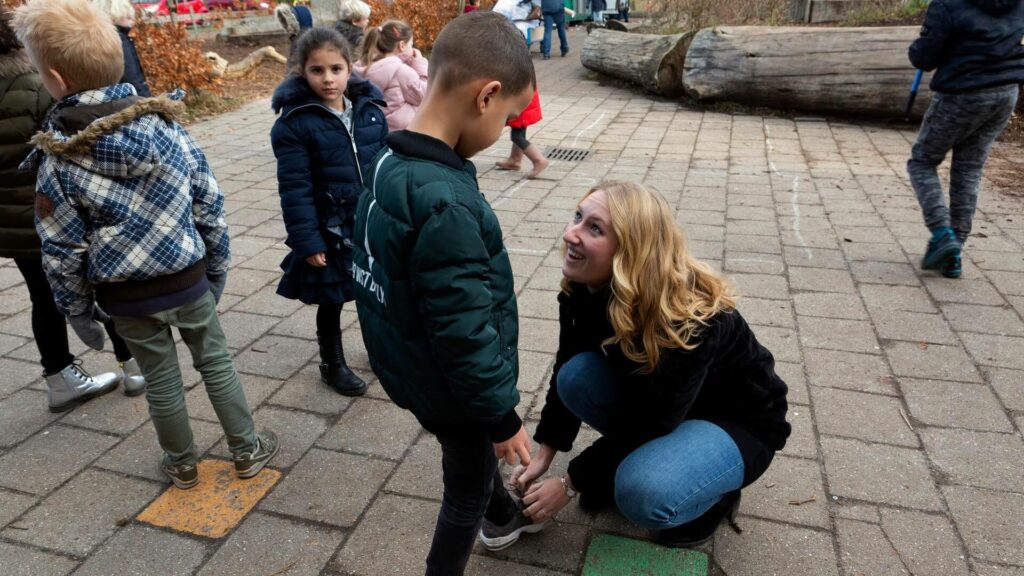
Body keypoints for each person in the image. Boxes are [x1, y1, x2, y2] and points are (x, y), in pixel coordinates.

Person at [13, 0, 278, 490]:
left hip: (127, 297)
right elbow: (209, 204)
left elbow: (60, 248)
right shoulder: (169, 129)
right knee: (216, 363)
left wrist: (76, 311)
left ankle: (181, 464)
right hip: (188, 278)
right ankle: (247, 448)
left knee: (161, 380)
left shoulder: (58, 160)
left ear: (55, 77)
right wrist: (217, 266)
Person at [493, 182, 791, 551]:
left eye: (594, 228)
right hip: (670, 405)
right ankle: (647, 461)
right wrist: (544, 454)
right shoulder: (584, 287)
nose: (571, 233)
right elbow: (565, 367)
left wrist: (571, 482)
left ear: (630, 251)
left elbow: (655, 421)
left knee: (641, 494)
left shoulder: (686, 318)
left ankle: (714, 496)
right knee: (576, 377)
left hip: (740, 423)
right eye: (578, 217)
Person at [351, 11, 536, 575]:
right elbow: (464, 331)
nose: (503, 131)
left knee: (471, 462)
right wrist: (502, 416)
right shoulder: (446, 203)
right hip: (456, 389)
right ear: (487, 96)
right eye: (507, 119)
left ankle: (504, 515)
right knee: (464, 492)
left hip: (414, 369)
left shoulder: (388, 157)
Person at [0, 4, 145, 412]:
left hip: (15, 225)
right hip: (61, 215)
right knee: (100, 283)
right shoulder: (37, 87)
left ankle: (60, 376)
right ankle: (133, 363)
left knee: (42, 297)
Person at [270, 27, 387, 397]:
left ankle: (380, 351)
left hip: (369, 220)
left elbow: (386, 166)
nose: (328, 78)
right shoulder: (295, 123)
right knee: (332, 296)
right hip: (330, 225)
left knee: (375, 290)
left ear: (350, 67)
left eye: (336, 69)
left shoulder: (369, 111)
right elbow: (295, 188)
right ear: (302, 72)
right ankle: (331, 362)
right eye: (317, 70)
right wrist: (308, 240)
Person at [906, 0, 1024, 278]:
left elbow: (924, 58)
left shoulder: (948, 5)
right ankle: (954, 252)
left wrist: (919, 44)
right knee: (969, 168)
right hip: (1006, 93)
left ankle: (943, 235)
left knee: (922, 162)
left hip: (962, 95)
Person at [354, 20, 428, 131]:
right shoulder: (401, 71)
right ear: (402, 45)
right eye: (411, 45)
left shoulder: (361, 67)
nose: (413, 49)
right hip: (400, 135)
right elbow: (424, 96)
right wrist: (419, 63)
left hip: (374, 130)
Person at [92, 0, 151, 97]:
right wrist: (148, 102)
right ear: (113, 14)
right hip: (130, 101)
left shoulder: (97, 39)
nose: (132, 19)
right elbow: (131, 78)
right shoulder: (118, 40)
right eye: (127, 15)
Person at [495, 88, 549, 178]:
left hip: (522, 106)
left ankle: (539, 160)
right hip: (523, 104)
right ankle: (515, 160)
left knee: (517, 137)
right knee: (519, 134)